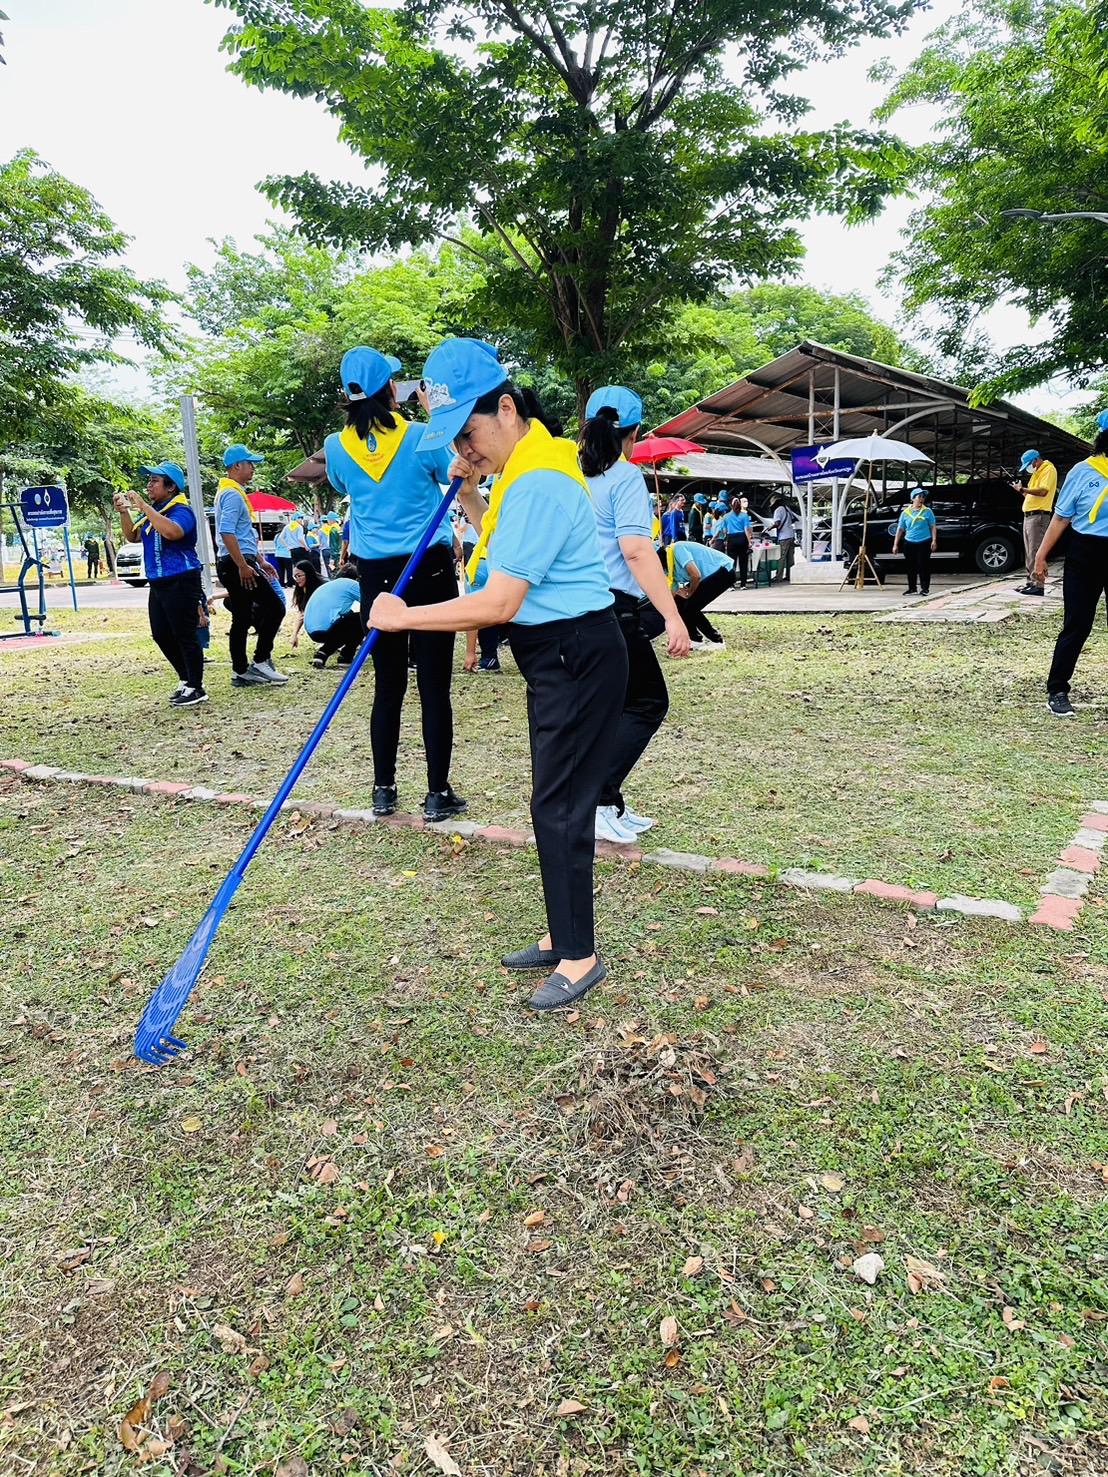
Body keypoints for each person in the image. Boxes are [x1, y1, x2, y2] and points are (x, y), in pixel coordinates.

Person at [370, 337, 627, 1011]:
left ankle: (580, 955)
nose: (463, 451)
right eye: (454, 442)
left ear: (505, 408)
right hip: (561, 656)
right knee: (554, 799)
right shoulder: (526, 466)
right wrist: (471, 493)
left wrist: (403, 618)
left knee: (559, 805)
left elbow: (499, 601)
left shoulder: (539, 478)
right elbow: (501, 543)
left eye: (468, 434)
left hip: (574, 654)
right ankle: (562, 932)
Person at [323, 345, 465, 822]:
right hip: (429, 565)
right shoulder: (422, 436)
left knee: (387, 685)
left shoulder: (334, 447)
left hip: (376, 575)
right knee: (433, 685)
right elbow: (455, 474)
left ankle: (384, 789)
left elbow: (344, 488)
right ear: (390, 388)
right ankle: (436, 793)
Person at [579, 384, 690, 844]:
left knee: (611, 708)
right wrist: (673, 615)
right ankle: (599, 800)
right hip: (612, 607)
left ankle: (608, 803)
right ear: (635, 431)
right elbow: (636, 552)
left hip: (576, 605)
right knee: (647, 702)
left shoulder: (568, 474)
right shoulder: (624, 478)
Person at [113, 461, 206, 707]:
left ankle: (196, 686)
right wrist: (125, 512)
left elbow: (173, 533)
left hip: (181, 579)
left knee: (185, 634)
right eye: (149, 480)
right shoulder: (153, 511)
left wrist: (143, 506)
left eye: (155, 481)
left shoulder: (180, 510)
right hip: (158, 582)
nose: (149, 485)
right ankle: (185, 679)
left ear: (171, 487)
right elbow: (133, 535)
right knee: (161, 634)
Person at [1037, 411, 1108, 717]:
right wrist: (1040, 556)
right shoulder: (1083, 471)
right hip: (1085, 553)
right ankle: (1057, 689)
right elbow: (1062, 516)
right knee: (1077, 624)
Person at [214, 443, 289, 687]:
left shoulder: (229, 491)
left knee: (243, 617)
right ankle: (261, 660)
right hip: (236, 563)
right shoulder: (233, 495)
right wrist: (243, 566)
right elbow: (227, 532)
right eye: (250, 464)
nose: (253, 469)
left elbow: (241, 534)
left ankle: (241, 671)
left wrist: (260, 560)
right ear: (237, 466)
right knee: (276, 606)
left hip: (237, 560)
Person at [669, 539, 735, 646]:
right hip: (706, 577)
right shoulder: (668, 570)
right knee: (679, 603)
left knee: (691, 607)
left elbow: (696, 575)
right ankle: (695, 639)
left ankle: (717, 640)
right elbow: (672, 596)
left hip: (723, 571)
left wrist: (689, 593)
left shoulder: (677, 549)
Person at [1011, 448, 1057, 596]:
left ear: (1036, 460)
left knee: (1036, 551)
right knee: (1030, 552)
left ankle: (1038, 585)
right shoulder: (1037, 473)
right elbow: (1031, 496)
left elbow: (1043, 491)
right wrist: (1020, 490)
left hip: (1039, 516)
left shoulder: (1048, 469)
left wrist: (1024, 488)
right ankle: (1030, 582)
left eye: (1029, 465)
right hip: (1030, 516)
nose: (1029, 469)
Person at [302, 560, 363, 668]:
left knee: (346, 623)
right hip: (329, 629)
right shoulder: (351, 584)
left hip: (311, 630)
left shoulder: (328, 585)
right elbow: (370, 602)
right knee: (360, 618)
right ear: (356, 578)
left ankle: (322, 654)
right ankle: (346, 656)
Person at [891, 488, 938, 595]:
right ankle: (912, 588)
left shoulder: (927, 511)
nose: (921, 499)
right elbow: (900, 529)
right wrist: (895, 544)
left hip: (924, 541)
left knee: (923, 565)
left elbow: (933, 526)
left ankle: (925, 588)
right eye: (919, 496)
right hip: (909, 542)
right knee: (910, 566)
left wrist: (934, 540)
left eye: (923, 497)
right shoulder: (905, 513)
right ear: (913, 498)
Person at [721, 497, 753, 586]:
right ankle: (743, 584)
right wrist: (749, 541)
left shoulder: (726, 516)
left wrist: (726, 540)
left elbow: (724, 531)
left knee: (732, 562)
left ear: (731, 505)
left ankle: (731, 585)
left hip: (731, 539)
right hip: (742, 538)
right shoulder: (744, 515)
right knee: (743, 562)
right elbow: (746, 529)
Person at [772, 498, 796, 582]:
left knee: (781, 557)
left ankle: (778, 577)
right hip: (791, 535)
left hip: (783, 537)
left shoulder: (778, 510)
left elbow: (777, 523)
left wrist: (770, 527)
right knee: (790, 558)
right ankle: (790, 575)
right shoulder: (787, 509)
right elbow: (793, 519)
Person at [272, 519, 295, 587]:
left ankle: (281, 583)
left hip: (278, 554)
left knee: (281, 570)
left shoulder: (276, 536)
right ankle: (290, 583)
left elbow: (275, 544)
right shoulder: (287, 535)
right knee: (289, 570)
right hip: (287, 554)